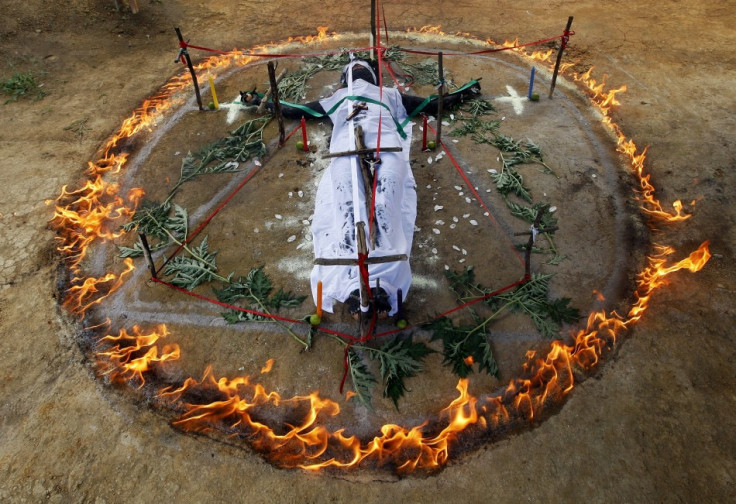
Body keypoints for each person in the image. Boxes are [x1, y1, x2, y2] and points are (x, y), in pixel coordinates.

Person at [242, 57, 481, 319]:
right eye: (353, 67)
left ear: (372, 76)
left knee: (385, 203)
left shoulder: (390, 95)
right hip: (346, 148)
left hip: (385, 146)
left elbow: (431, 104)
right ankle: (355, 285)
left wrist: (465, 92)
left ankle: (383, 284)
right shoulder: (338, 98)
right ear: (346, 78)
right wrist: (260, 101)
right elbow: (295, 110)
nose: (358, 69)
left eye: (363, 66)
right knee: (348, 206)